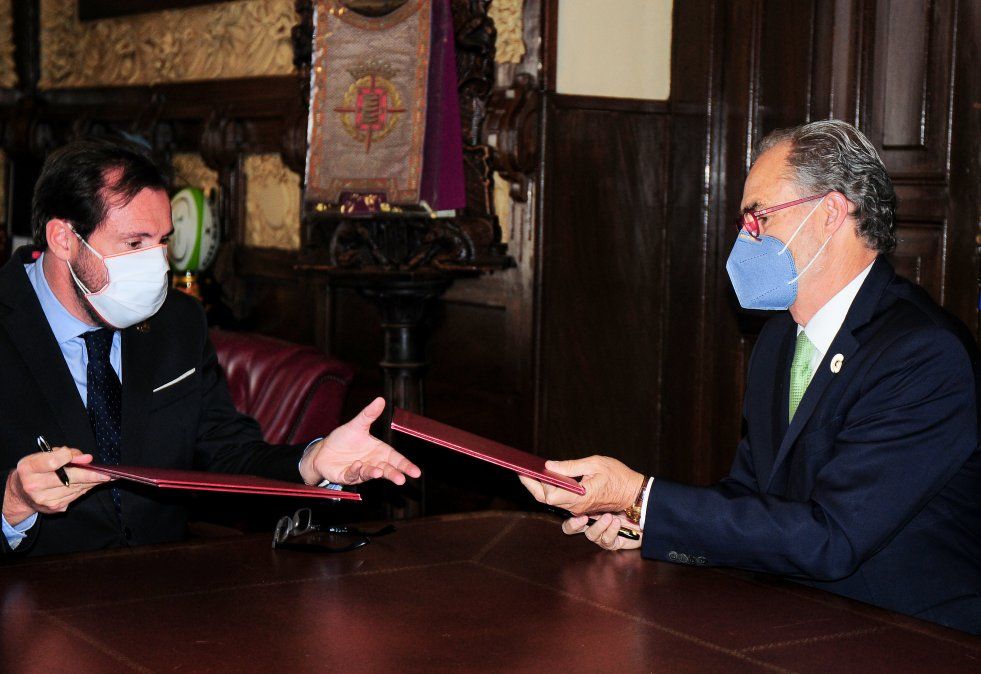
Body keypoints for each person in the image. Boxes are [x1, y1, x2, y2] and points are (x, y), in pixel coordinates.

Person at [520, 120, 980, 634]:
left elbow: (832, 539)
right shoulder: (780, 339)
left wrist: (641, 496)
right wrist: (641, 522)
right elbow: (752, 496)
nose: (745, 237)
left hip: (913, 639)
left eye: (758, 217)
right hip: (803, 622)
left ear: (830, 213)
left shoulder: (922, 353)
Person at [1, 138, 420, 558]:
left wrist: (311, 461)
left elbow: (224, 450)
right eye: (134, 244)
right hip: (33, 595)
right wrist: (13, 501)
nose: (157, 264)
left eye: (162, 240)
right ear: (63, 238)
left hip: (163, 589)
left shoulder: (177, 321)